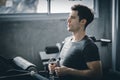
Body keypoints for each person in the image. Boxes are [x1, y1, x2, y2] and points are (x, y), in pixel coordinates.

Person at [48, 4, 103, 80]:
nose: (68, 20)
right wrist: (54, 67)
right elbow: (61, 62)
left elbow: (97, 74)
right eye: (69, 17)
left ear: (83, 21)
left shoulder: (89, 46)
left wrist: (68, 71)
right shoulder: (66, 40)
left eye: (72, 17)